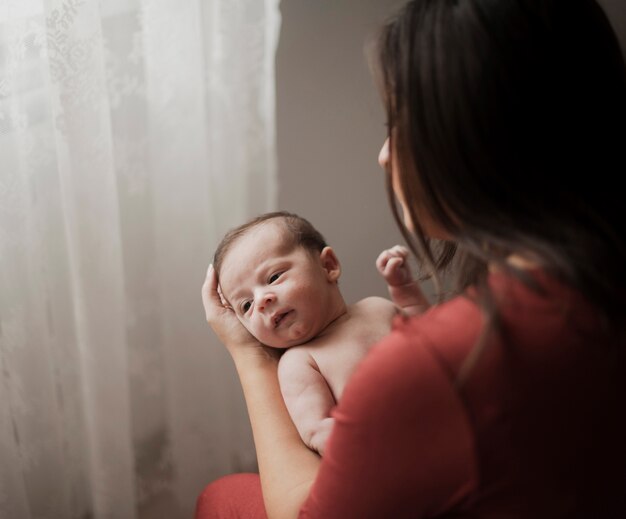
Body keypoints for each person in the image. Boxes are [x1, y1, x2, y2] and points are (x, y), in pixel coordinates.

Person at [198, 0, 626, 517]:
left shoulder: (439, 364)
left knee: (219, 498)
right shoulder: (592, 284)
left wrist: (246, 354)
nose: (383, 154)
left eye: (398, 123)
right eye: (244, 304)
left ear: (476, 136)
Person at [212, 211, 427, 456]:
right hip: (392, 452)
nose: (261, 301)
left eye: (273, 277)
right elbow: (316, 430)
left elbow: (431, 337)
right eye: (246, 305)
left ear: (328, 266)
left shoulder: (377, 308)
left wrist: (406, 291)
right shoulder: (300, 363)